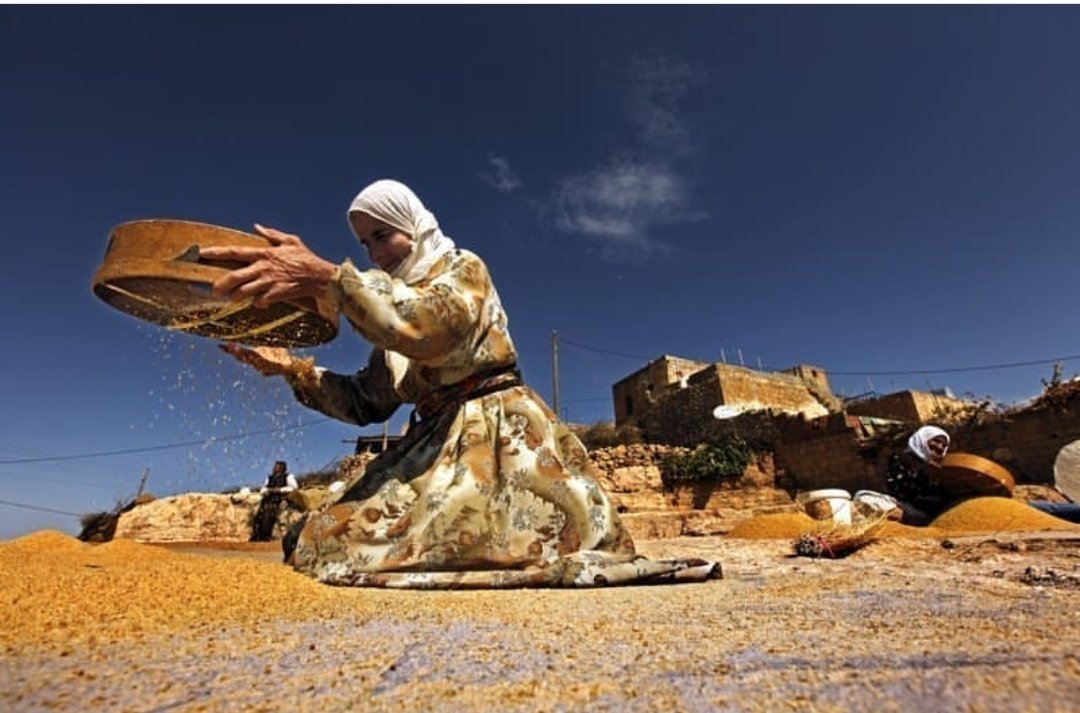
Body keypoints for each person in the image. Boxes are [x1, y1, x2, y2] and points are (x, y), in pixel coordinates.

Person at [201, 179, 718, 588]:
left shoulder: (462, 270)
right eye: (364, 243)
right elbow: (367, 402)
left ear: (413, 225)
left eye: (382, 235)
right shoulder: (384, 303)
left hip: (496, 439)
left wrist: (328, 279)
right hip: (432, 444)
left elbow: (426, 327)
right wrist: (292, 367)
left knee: (485, 540)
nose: (375, 252)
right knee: (319, 537)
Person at [885, 425, 953, 525]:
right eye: (936, 441)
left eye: (944, 445)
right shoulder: (901, 458)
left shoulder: (938, 467)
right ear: (923, 439)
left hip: (930, 511)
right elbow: (900, 489)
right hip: (908, 507)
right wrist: (926, 470)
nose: (940, 447)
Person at [250, 460, 298, 542]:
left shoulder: (288, 477)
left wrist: (280, 490)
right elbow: (262, 489)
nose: (274, 469)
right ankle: (256, 536)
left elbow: (294, 487)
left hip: (279, 500)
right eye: (274, 467)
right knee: (258, 516)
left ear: (282, 468)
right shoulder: (270, 478)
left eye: (276, 467)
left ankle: (265, 537)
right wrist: (269, 490)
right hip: (268, 500)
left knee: (268, 514)